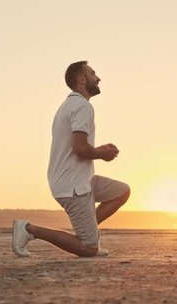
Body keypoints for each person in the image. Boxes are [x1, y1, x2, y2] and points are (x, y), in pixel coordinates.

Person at [12, 61, 130, 258]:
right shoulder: (82, 106)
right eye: (93, 73)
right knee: (88, 248)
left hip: (82, 180)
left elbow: (77, 145)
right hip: (73, 186)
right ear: (82, 79)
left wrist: (100, 149)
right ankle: (29, 229)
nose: (98, 77)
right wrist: (102, 153)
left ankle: (88, 230)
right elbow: (79, 148)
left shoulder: (68, 105)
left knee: (121, 192)